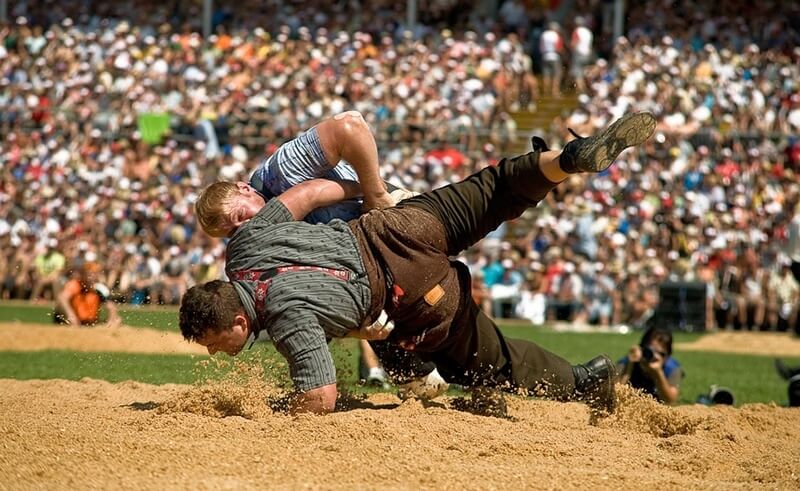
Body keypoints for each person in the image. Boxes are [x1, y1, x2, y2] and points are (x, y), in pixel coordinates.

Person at [179, 111, 657, 415]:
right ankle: (566, 159)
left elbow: (318, 395)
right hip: (399, 225)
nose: (237, 230)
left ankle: (584, 379)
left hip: (405, 292)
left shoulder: (276, 184)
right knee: (495, 187)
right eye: (228, 231)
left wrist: (374, 193)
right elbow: (306, 197)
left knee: (484, 364)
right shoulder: (247, 243)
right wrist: (375, 202)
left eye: (235, 220)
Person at [197, 110, 446, 397]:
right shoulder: (262, 242)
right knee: (422, 381)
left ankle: (487, 376)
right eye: (232, 233)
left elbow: (349, 125)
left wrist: (374, 195)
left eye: (241, 215)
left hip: (396, 229)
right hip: (373, 267)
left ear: (244, 188)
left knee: (459, 334)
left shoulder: (281, 172)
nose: (244, 228)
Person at [616, 327, 682, 404]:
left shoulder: (672, 368)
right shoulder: (626, 362)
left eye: (661, 354)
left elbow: (670, 401)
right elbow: (616, 395)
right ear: (641, 349)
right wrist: (630, 367)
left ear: (668, 357)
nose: (655, 357)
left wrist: (658, 373)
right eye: (651, 352)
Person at [55, 262, 121, 327]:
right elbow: (62, 298)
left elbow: (111, 307)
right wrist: (71, 316)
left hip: (90, 324)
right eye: (89, 274)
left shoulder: (99, 288)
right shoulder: (75, 284)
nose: (91, 277)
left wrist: (111, 320)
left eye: (94, 274)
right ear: (82, 275)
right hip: (74, 324)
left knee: (117, 321)